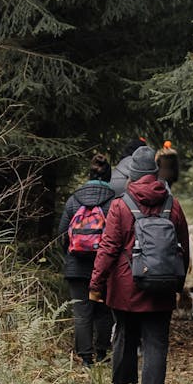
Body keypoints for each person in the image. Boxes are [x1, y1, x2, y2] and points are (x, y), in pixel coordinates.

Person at [89, 144, 190, 384]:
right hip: (162, 283)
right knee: (157, 340)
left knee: (125, 335)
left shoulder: (121, 205)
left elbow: (108, 248)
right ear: (156, 174)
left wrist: (96, 285)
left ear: (132, 175)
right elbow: (183, 247)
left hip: (127, 284)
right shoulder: (173, 204)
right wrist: (178, 283)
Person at [57, 151, 115, 367]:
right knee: (103, 310)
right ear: (109, 177)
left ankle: (85, 357)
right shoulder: (114, 202)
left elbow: (62, 234)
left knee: (81, 312)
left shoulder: (74, 200)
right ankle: (102, 352)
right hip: (104, 267)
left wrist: (72, 254)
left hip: (76, 267)